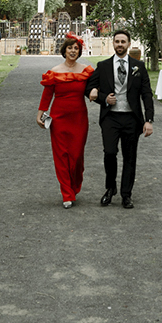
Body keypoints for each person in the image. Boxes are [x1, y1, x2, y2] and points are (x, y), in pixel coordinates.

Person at [84, 31, 155, 209]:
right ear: (113, 44)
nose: (120, 44)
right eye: (117, 41)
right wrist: (103, 98)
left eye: (123, 41)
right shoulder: (103, 66)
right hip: (111, 118)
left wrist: (149, 120)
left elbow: (146, 94)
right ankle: (110, 188)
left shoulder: (138, 66)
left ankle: (126, 194)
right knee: (109, 153)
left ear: (129, 44)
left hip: (132, 118)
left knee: (130, 157)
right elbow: (88, 88)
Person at [37, 35, 95, 208]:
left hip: (79, 118)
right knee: (61, 156)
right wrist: (40, 113)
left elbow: (95, 87)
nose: (72, 51)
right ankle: (67, 194)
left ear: (79, 51)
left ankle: (74, 185)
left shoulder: (86, 71)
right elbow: (47, 95)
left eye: (76, 48)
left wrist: (96, 92)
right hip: (59, 118)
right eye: (70, 48)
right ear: (64, 50)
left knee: (76, 155)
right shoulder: (54, 71)